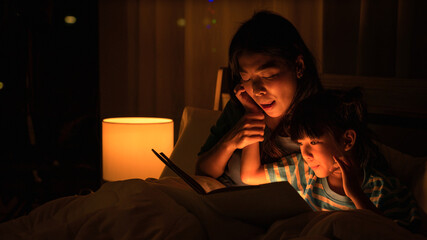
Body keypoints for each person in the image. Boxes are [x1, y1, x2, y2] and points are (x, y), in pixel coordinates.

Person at [239, 88, 420, 230]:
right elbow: (250, 174)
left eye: (314, 141)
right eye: (301, 143)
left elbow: (395, 234)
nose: (305, 153)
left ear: (347, 140)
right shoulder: (304, 171)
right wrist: (253, 115)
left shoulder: (383, 189)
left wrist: (356, 195)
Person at [195, 11, 323, 186]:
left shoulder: (323, 119)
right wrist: (230, 141)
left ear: (298, 66)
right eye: (246, 78)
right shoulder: (241, 107)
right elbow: (202, 170)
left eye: (268, 75)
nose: (256, 90)